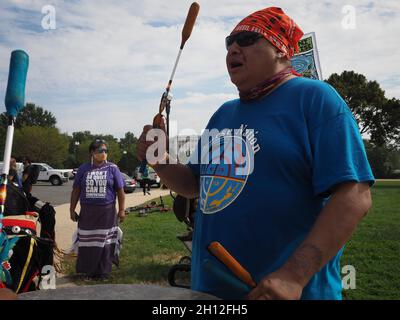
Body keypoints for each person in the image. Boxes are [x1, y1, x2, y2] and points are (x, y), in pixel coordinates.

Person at [137, 7, 375, 300]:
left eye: (247, 39)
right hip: (209, 293)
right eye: (229, 43)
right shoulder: (223, 114)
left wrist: (293, 276)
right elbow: (194, 186)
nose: (233, 49)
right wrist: (159, 159)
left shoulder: (316, 98)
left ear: (280, 51)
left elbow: (354, 196)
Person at [70, 139, 126, 280]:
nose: (104, 153)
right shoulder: (83, 169)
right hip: (87, 213)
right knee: (87, 242)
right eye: (100, 151)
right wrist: (72, 209)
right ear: (92, 152)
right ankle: (88, 272)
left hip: (106, 212)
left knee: (105, 243)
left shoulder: (113, 168)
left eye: (105, 151)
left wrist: (122, 210)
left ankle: (103, 272)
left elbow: (120, 191)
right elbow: (76, 190)